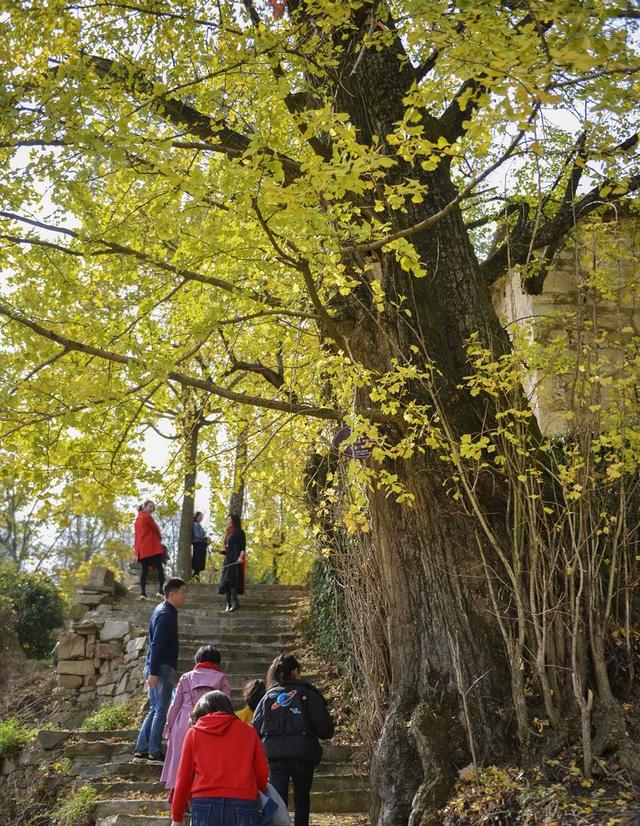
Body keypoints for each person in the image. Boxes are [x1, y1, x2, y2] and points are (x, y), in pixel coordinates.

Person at [252, 654, 334, 826]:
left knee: (278, 802)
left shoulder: (268, 697)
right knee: (302, 800)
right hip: (303, 755)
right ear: (295, 671)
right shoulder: (308, 693)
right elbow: (325, 729)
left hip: (275, 757)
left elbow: (254, 730)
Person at [170, 690, 269, 826]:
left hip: (204, 802)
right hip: (243, 801)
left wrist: (177, 815)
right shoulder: (249, 732)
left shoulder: (194, 733)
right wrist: (258, 792)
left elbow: (183, 777)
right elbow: (262, 772)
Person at [161, 645, 232, 795]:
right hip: (213, 725)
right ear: (217, 662)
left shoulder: (186, 677)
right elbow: (227, 705)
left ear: (197, 660)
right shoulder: (222, 678)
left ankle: (177, 798)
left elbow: (175, 705)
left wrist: (169, 728)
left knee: (180, 762)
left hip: (185, 723)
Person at [134, 577, 186, 763]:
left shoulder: (161, 610)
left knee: (155, 709)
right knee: (161, 710)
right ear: (172, 594)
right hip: (162, 667)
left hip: (158, 665)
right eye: (182, 592)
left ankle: (142, 748)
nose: (184, 597)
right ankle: (154, 750)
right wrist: (154, 672)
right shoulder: (166, 614)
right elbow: (156, 645)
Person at [134, 500, 165, 600]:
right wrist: (159, 537)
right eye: (150, 506)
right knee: (160, 568)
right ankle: (161, 591)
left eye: (153, 507)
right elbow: (156, 529)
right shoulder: (147, 517)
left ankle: (143, 593)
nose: (153, 508)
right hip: (151, 547)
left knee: (144, 570)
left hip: (142, 549)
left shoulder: (137, 519)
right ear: (144, 506)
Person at [218, 513, 246, 612]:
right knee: (225, 582)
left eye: (229, 519)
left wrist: (240, 557)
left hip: (235, 559)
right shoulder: (229, 533)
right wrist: (220, 551)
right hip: (228, 560)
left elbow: (243, 547)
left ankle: (235, 603)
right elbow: (228, 549)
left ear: (233, 520)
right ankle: (228, 604)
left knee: (232, 581)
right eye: (227, 520)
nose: (227, 521)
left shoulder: (240, 532)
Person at [191, 511, 210, 581]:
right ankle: (195, 577)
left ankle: (196, 577)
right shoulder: (195, 524)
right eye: (200, 516)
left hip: (201, 544)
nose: (201, 518)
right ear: (196, 516)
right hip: (198, 544)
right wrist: (205, 538)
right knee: (198, 561)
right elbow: (197, 535)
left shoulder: (199, 525)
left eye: (202, 517)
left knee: (200, 561)